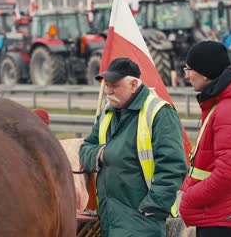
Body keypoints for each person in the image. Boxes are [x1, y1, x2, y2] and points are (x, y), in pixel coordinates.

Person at [79, 57, 187, 237]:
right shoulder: (108, 113)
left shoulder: (159, 112)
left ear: (134, 85)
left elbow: (173, 168)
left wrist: (151, 210)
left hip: (142, 223)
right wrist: (101, 153)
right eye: (107, 85)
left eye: (115, 85)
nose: (109, 91)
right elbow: (85, 149)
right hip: (109, 221)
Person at [179, 41, 231, 237]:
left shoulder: (228, 110)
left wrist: (190, 198)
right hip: (219, 218)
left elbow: (228, 174)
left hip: (221, 221)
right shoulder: (222, 105)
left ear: (205, 72)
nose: (186, 75)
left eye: (189, 69)